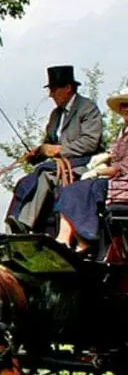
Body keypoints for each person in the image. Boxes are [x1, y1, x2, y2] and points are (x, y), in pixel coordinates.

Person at [5, 65, 104, 234]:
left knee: (45, 175)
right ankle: (11, 228)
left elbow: (90, 142)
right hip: (57, 164)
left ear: (68, 88)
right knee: (24, 182)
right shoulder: (55, 115)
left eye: (54, 89)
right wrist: (36, 154)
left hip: (85, 164)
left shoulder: (88, 108)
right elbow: (48, 145)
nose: (50, 95)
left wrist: (59, 150)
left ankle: (26, 224)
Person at [54, 87, 128, 252]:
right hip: (116, 180)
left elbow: (122, 168)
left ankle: (84, 240)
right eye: (123, 106)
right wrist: (104, 158)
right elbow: (116, 156)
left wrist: (98, 172)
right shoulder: (122, 133)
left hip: (124, 185)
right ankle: (65, 238)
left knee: (80, 189)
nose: (125, 109)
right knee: (69, 189)